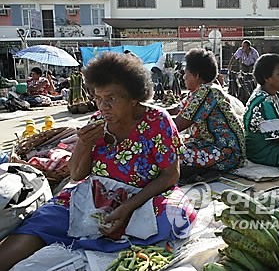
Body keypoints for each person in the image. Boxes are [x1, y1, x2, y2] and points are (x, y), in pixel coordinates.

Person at [0, 52, 196, 271]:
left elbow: (171, 175)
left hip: (144, 195)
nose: (103, 106)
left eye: (111, 98)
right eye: (98, 97)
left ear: (133, 97)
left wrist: (128, 208)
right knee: (46, 217)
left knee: (172, 216)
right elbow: (76, 176)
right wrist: (83, 144)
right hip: (98, 192)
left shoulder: (158, 121)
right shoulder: (96, 122)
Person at [169, 48, 245, 175]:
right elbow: (176, 109)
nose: (183, 77)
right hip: (209, 144)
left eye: (185, 74)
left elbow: (178, 124)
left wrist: (145, 123)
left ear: (196, 76)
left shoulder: (208, 92)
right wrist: (148, 112)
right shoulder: (197, 92)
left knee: (167, 154)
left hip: (227, 153)